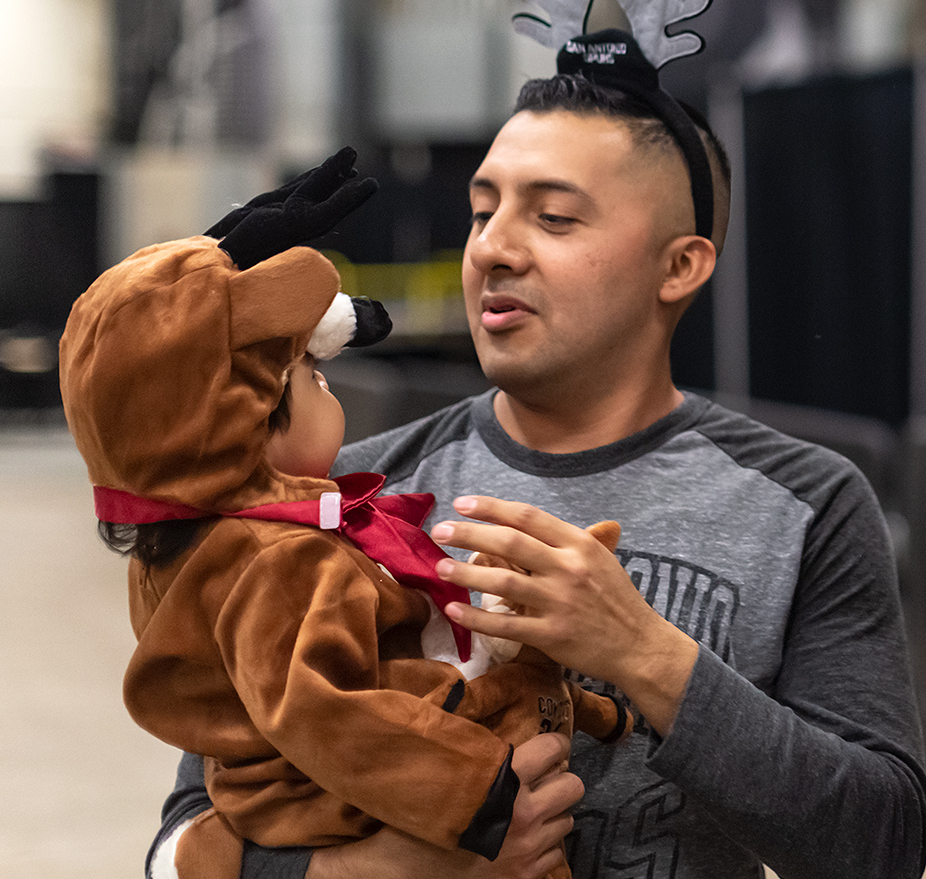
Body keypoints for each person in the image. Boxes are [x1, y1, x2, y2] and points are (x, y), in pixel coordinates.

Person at [148, 73, 926, 879]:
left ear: (679, 266)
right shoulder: (340, 494)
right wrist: (385, 872)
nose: (491, 248)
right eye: (481, 212)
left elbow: (884, 849)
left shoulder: (807, 502)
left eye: (553, 217)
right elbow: (179, 842)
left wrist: (642, 652)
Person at [65, 152, 635, 879]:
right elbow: (319, 709)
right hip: (345, 799)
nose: (496, 246)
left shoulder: (195, 540)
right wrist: (478, 796)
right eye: (313, 374)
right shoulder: (279, 555)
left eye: (555, 216)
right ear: (242, 423)